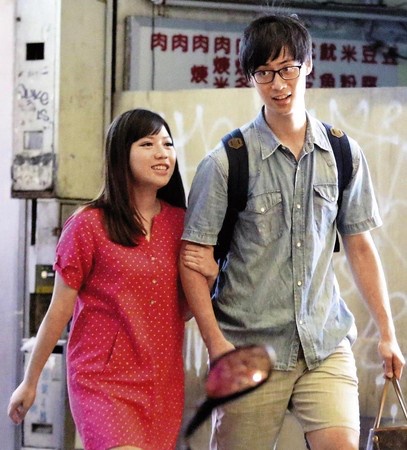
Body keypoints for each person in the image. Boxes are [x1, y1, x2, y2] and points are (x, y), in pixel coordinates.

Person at [179, 14, 405, 450]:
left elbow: (360, 246)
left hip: (324, 343)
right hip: (248, 349)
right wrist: (216, 344)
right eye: (264, 73)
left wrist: (387, 334)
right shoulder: (226, 162)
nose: (278, 84)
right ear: (251, 78)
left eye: (287, 69)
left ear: (308, 65)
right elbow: (192, 261)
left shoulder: (342, 152)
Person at [8, 108, 218, 450]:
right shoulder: (88, 225)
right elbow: (58, 311)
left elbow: (180, 312)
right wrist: (30, 382)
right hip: (102, 381)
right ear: (121, 154)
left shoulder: (181, 224)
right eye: (147, 144)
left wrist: (208, 276)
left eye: (167, 144)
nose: (162, 153)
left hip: (162, 384)